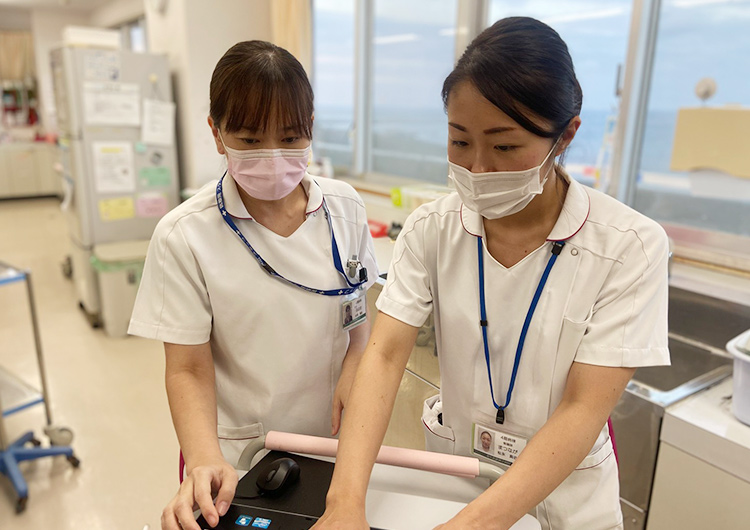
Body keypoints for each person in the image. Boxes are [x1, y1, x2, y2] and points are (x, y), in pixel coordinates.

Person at [313, 17, 669, 530]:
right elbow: (386, 355)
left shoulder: (629, 247)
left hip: (566, 499)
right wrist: (344, 502)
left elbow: (582, 408)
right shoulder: (432, 228)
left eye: (504, 147)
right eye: (460, 142)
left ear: (565, 135)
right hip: (456, 477)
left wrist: (472, 526)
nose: (477, 169)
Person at [128, 41, 378, 530]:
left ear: (311, 127)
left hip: (335, 447)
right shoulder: (186, 235)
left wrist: (357, 372)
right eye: (248, 139)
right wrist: (204, 459)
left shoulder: (345, 208)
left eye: (290, 138)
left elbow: (359, 325)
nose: (273, 158)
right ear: (216, 135)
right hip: (236, 454)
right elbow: (187, 370)